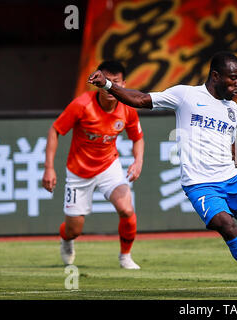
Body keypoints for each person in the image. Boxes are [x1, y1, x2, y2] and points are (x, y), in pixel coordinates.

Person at [87, 52, 237, 296]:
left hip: (233, 180)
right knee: (226, 226)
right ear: (215, 76)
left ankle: (230, 205)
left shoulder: (233, 110)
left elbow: (231, 145)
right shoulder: (186, 96)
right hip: (201, 185)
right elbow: (140, 99)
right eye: (233, 78)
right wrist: (109, 85)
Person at [43, 60, 144, 269]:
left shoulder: (127, 108)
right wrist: (49, 168)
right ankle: (66, 239)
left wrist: (138, 161)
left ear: (123, 84)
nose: (108, 86)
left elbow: (138, 138)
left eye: (114, 82)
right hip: (78, 173)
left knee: (126, 209)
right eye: (105, 81)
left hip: (109, 166)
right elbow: (55, 130)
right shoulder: (82, 105)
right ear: (97, 82)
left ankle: (125, 256)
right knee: (74, 230)